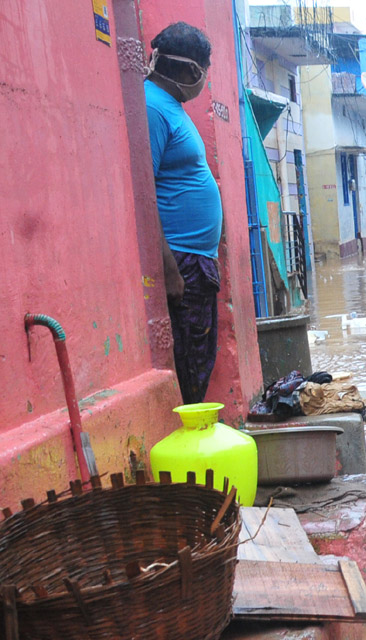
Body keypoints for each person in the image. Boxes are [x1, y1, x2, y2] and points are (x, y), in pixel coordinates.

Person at [144, 22, 222, 405]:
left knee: (201, 356)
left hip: (197, 260)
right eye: (205, 69)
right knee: (190, 361)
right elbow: (144, 192)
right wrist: (169, 269)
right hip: (182, 261)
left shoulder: (169, 107)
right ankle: (191, 447)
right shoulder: (153, 108)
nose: (204, 78)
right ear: (193, 71)